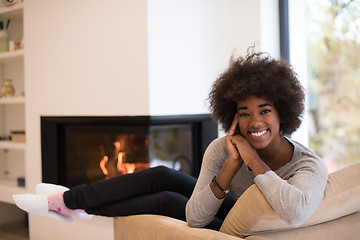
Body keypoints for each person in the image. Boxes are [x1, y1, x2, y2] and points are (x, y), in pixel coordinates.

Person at [13, 50, 328, 231]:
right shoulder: (223, 149)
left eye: (265, 111)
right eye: (244, 113)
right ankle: (70, 201)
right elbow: (196, 215)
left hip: (251, 226)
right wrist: (232, 164)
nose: (255, 122)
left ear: (282, 113)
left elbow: (296, 211)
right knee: (162, 175)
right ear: (232, 116)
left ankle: (72, 204)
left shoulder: (308, 165)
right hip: (233, 208)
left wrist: (252, 161)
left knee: (165, 201)